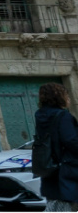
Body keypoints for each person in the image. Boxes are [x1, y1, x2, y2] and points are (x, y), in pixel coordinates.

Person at [35, 82, 78, 212]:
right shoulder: (63, 116)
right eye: (66, 95)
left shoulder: (40, 115)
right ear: (59, 96)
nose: (68, 99)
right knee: (66, 204)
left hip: (50, 166)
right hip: (67, 167)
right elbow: (71, 141)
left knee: (55, 204)